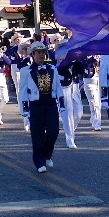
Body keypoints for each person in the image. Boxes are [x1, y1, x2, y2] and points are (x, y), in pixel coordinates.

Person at [17, 42, 65, 173]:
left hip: (50, 103)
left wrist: (62, 104)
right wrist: (25, 110)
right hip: (36, 105)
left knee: (53, 131)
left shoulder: (52, 68)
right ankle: (39, 161)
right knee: (37, 135)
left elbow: (58, 87)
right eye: (38, 52)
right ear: (33, 54)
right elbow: (22, 91)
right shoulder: (26, 71)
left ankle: (47, 154)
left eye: (43, 52)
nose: (41, 55)